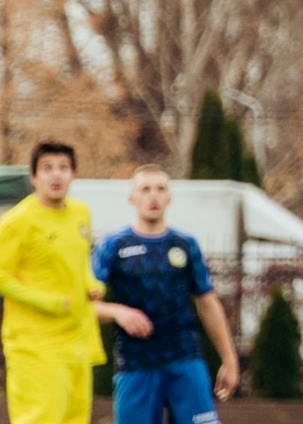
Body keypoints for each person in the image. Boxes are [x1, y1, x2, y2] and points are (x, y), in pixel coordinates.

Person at [92, 165, 241, 424]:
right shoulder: (114, 246)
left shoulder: (185, 244)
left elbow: (207, 301)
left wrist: (229, 359)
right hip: (135, 363)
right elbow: (88, 305)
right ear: (132, 198)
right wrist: (119, 312)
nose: (153, 196)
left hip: (184, 358)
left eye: (160, 189)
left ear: (169, 197)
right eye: (145, 189)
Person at [0, 141, 111, 424]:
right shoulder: (17, 222)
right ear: (34, 177)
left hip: (77, 341)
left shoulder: (80, 213)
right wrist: (45, 302)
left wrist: (91, 283)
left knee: (75, 419)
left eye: (63, 167)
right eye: (47, 168)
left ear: (73, 174)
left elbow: (79, 261)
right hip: (35, 346)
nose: (56, 175)